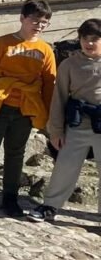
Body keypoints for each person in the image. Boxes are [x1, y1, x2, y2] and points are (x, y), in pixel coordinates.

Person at [0, 0, 57, 216]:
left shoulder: (45, 50)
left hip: (25, 108)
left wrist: (45, 112)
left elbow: (49, 84)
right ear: (22, 18)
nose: (39, 25)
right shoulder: (2, 44)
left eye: (44, 22)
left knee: (16, 154)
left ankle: (10, 198)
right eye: (35, 20)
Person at [28, 18, 101, 223]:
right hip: (77, 124)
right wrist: (56, 131)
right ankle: (50, 206)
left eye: (94, 39)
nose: (89, 43)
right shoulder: (69, 64)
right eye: (84, 39)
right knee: (65, 166)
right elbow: (58, 98)